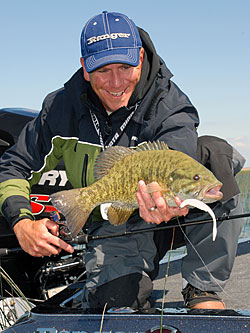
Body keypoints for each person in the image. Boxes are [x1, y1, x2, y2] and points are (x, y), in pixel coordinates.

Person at [0, 11, 244, 310]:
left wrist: (165, 201)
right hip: (116, 220)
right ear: (85, 69)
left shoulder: (169, 103)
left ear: (140, 57)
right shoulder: (59, 107)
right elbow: (12, 164)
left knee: (217, 157)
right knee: (115, 306)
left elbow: (176, 159)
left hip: (174, 216)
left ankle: (202, 289)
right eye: (103, 70)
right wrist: (22, 222)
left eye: (125, 66)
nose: (116, 82)